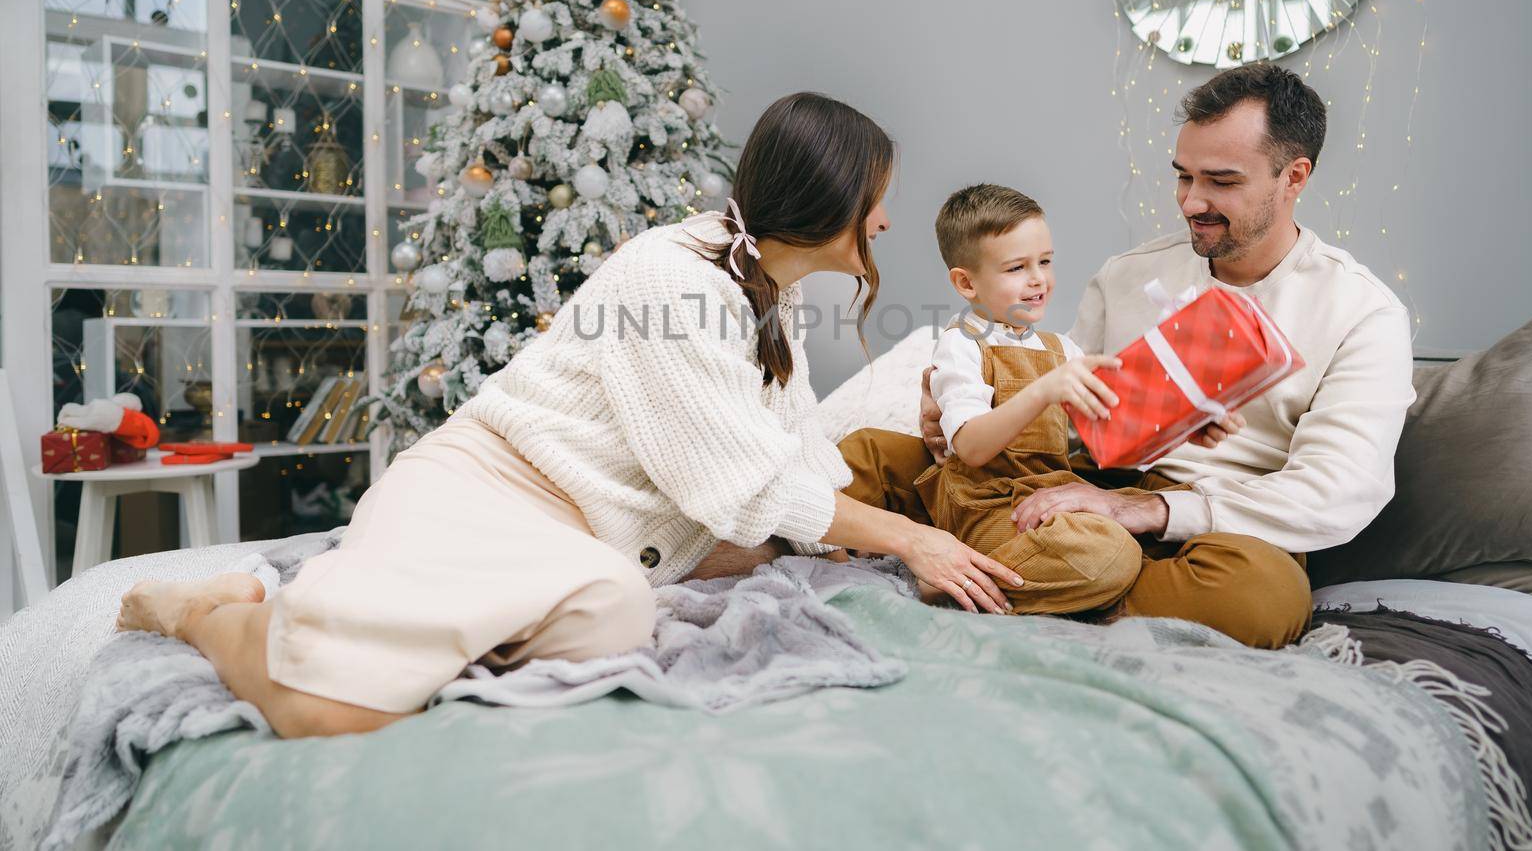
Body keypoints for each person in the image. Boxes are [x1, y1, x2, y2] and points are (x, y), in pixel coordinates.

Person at [115, 92, 1025, 739]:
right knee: (327, 708)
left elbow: (800, 464)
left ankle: (404, 634)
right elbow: (752, 487)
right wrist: (914, 543)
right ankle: (202, 613)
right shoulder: (673, 280)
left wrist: (928, 464)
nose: (888, 225)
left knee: (614, 615)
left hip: (585, 540)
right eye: (878, 203)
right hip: (488, 490)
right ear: (830, 202)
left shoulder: (762, 301)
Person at [838, 62, 1417, 648]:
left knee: (1264, 598)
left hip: (1216, 525)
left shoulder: (1363, 313)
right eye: (1184, 177)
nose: (1192, 202)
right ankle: (1048, 575)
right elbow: (1069, 430)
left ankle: (1006, 581)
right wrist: (967, 414)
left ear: (1293, 177)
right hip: (1079, 489)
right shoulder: (1130, 274)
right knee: (871, 455)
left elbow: (1337, 492)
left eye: (1222, 181)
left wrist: (1151, 510)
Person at [884, 183, 1244, 616]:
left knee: (1159, 517)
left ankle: (1030, 582)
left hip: (1051, 498)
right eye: (1017, 267)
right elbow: (971, 447)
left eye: (1045, 262)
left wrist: (1185, 423)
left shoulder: (1063, 349)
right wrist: (1045, 390)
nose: (1038, 279)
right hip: (989, 505)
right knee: (1110, 555)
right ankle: (954, 581)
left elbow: (1117, 432)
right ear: (966, 282)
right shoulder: (962, 344)